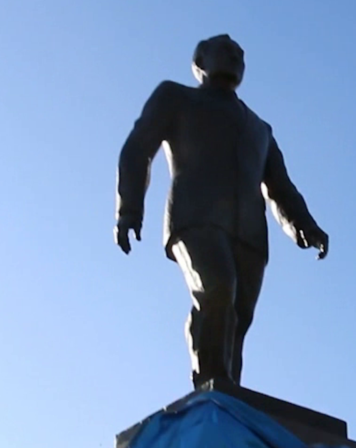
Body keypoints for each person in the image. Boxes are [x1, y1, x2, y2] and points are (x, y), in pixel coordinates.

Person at [114, 34, 329, 391]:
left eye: (240, 54)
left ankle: (228, 398)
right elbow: (137, 149)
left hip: (250, 234)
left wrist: (305, 227)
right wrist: (129, 209)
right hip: (195, 218)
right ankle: (209, 385)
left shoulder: (260, 129)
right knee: (216, 289)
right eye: (225, 51)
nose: (235, 56)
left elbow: (281, 188)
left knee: (237, 322)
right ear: (200, 61)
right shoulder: (176, 97)